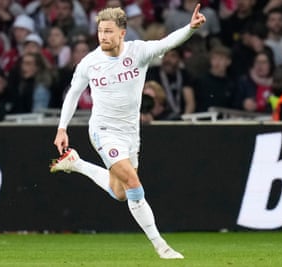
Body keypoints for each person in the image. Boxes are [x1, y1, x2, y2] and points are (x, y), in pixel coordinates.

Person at [50, 5, 206, 259]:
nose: (103, 37)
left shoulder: (138, 52)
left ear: (123, 33)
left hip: (131, 134)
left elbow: (167, 43)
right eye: (100, 31)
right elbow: (73, 95)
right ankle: (161, 246)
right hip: (103, 131)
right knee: (133, 183)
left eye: (109, 31)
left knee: (120, 193)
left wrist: (190, 28)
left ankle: (76, 163)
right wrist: (62, 128)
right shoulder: (90, 63)